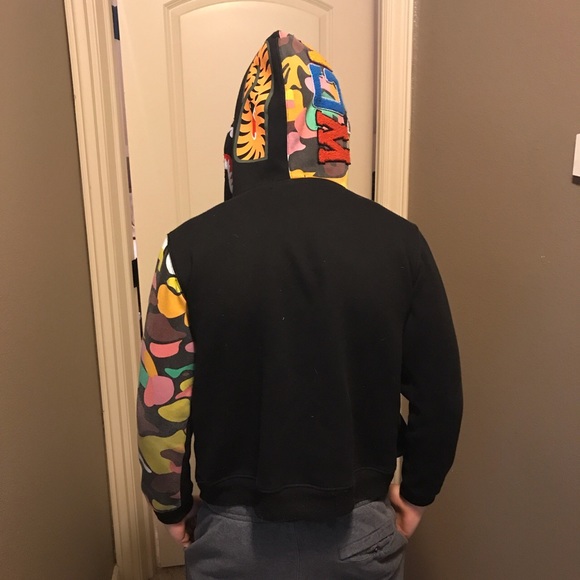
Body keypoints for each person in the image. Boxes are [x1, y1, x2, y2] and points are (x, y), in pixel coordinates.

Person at [137, 31, 462, 579]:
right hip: (359, 528)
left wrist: (169, 505)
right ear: (335, 132)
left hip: (232, 532)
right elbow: (440, 393)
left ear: (242, 139)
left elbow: (161, 401)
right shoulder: (401, 244)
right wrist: (418, 494)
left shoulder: (185, 249)